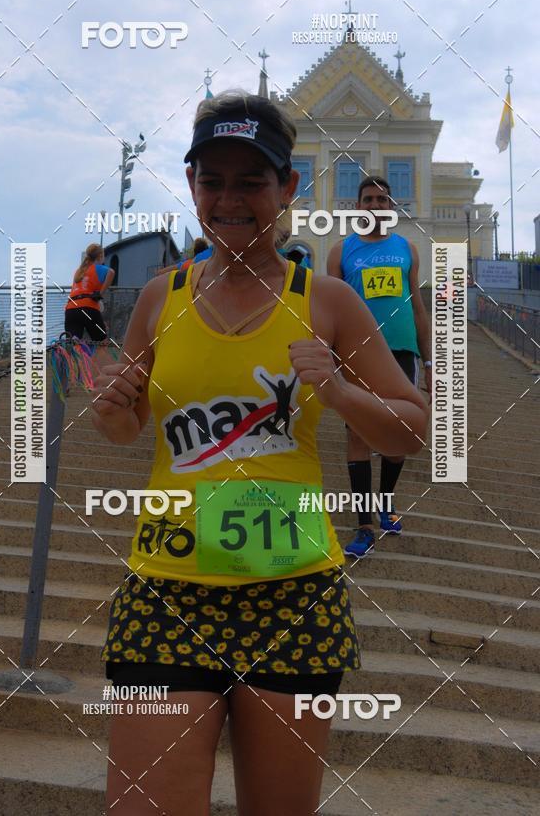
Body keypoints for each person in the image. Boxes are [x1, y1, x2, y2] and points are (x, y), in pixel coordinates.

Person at [92, 92, 428, 816]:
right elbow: (130, 431)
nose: (231, 198)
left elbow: (412, 427)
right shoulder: (159, 297)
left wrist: (339, 393)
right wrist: (115, 414)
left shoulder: (328, 299)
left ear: (287, 189)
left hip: (293, 596)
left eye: (252, 180)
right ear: (192, 188)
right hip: (168, 589)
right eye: (213, 180)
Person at [326, 176, 432, 559]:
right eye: (368, 199)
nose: (375, 205)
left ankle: (386, 502)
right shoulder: (341, 251)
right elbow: (332, 311)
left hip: (403, 352)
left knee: (398, 435)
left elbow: (419, 308)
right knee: (357, 436)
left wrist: (431, 360)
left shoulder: (408, 250)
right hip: (359, 354)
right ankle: (364, 525)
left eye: (382, 199)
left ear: (391, 208)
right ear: (359, 207)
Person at [64, 243, 114, 343]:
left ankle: (75, 356)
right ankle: (99, 357)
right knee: (101, 341)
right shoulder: (97, 267)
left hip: (71, 309)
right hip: (88, 307)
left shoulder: (79, 271)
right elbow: (111, 272)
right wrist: (100, 293)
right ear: (100, 256)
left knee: (73, 342)